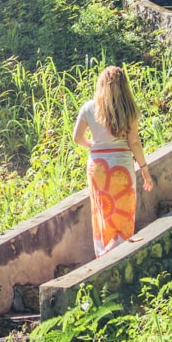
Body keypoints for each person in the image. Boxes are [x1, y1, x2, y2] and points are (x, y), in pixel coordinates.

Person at [73, 65, 153, 257]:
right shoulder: (129, 109)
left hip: (97, 167)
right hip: (121, 165)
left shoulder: (88, 107)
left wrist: (95, 145)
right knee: (123, 211)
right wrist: (144, 170)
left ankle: (103, 254)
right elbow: (134, 141)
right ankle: (118, 253)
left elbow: (77, 138)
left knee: (102, 212)